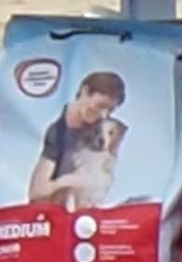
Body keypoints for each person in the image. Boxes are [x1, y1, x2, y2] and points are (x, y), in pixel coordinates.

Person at [26, 71, 126, 208]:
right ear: (85, 91)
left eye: (110, 110)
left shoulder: (106, 128)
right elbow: (37, 191)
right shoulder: (57, 132)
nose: (104, 115)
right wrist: (68, 181)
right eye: (101, 106)